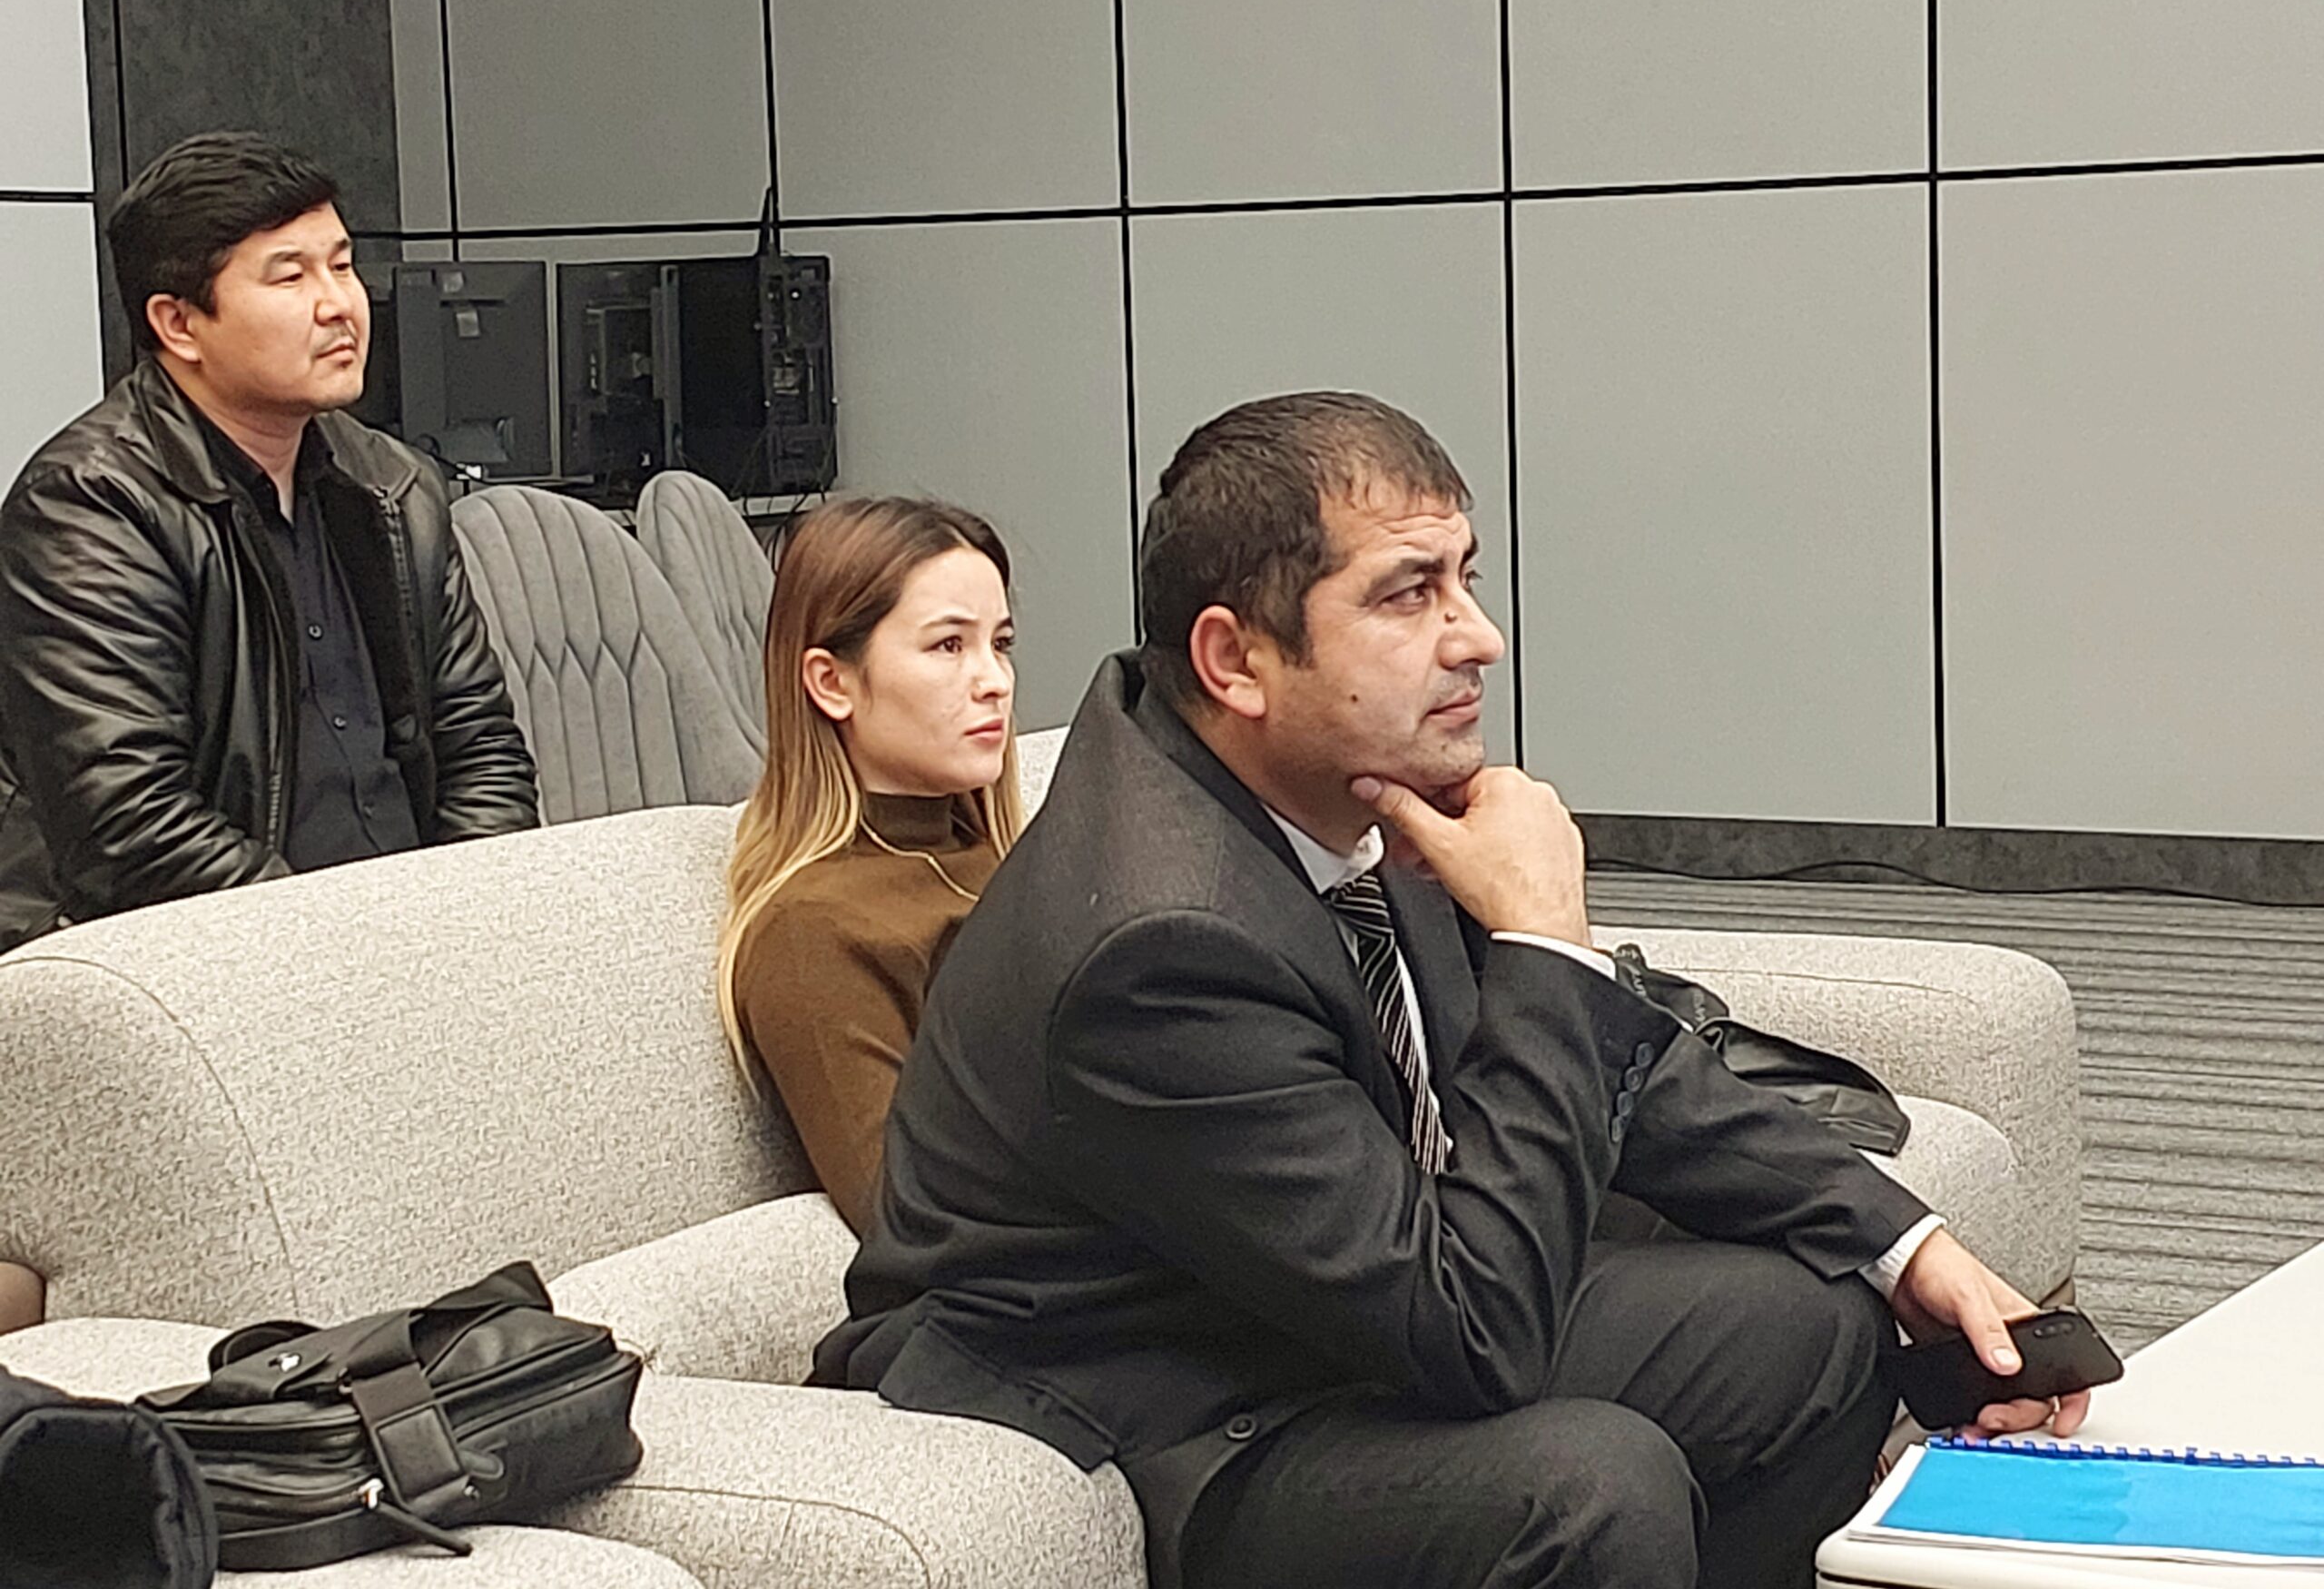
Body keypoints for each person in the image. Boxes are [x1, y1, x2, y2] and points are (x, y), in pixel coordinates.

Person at [814, 392, 2093, 1589]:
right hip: (1158, 1393)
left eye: (1465, 580)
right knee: (1591, 1486)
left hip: (1324, 1294)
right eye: (1409, 594)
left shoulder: (1342, 786)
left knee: (1807, 1323)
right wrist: (1543, 944)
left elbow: (1621, 1066)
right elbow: (1473, 1330)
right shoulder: (1160, 942)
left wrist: (1905, 1243)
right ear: (1236, 660)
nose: (1478, 637)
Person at [0, 132, 538, 1332]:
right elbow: (127, 825)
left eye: (342, 265)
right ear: (177, 323)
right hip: (189, 995)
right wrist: (335, 976)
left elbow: (480, 741)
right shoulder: (90, 504)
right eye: (288, 276)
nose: (340, 304)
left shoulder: (392, 487)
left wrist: (482, 944)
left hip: (398, 981)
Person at [718, 496, 1022, 1234]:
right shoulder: (813, 929)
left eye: (1001, 644)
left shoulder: (1014, 857)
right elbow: (909, 1221)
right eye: (948, 646)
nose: (995, 680)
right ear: (833, 683)